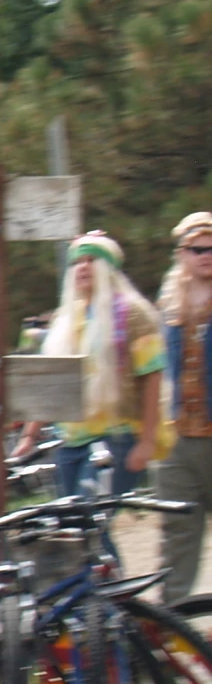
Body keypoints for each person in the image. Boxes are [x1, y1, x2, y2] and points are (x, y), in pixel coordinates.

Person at [13, 233, 164, 499]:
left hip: (116, 438)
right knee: (72, 530)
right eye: (77, 262)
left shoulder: (134, 315)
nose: (83, 267)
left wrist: (147, 441)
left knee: (91, 522)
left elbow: (152, 377)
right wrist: (29, 436)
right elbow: (53, 382)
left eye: (91, 260)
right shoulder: (65, 320)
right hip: (69, 442)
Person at [158, 212, 212, 600]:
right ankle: (172, 630)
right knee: (177, 532)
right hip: (178, 436)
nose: (207, 255)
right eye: (198, 249)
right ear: (182, 253)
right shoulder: (168, 304)